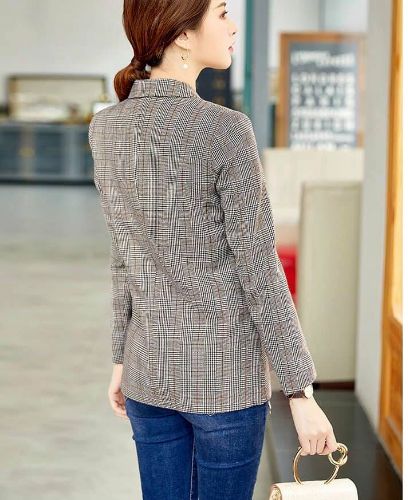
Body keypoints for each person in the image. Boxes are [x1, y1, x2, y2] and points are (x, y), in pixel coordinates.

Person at [88, 0, 338, 498]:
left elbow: (124, 257)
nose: (233, 26)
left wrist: (121, 357)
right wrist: (299, 390)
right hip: (224, 379)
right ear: (182, 34)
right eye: (222, 13)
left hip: (147, 370)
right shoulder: (224, 130)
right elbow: (260, 270)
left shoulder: (106, 128)